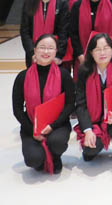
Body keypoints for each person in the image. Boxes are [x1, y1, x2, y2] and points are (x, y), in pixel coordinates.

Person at [12, 35, 74, 174]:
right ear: (34, 50)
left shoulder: (64, 75)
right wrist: (32, 131)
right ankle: (41, 156)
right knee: (34, 160)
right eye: (42, 47)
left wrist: (53, 126)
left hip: (57, 125)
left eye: (50, 48)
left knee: (57, 143)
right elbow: (17, 109)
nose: (46, 52)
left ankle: (55, 157)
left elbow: (70, 104)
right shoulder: (23, 76)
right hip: (31, 126)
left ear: (56, 51)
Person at [74, 33, 112, 167]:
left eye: (106, 48)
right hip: (93, 120)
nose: (102, 53)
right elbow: (80, 104)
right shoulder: (84, 71)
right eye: (97, 49)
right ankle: (93, 143)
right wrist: (88, 130)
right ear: (91, 53)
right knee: (90, 151)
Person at [20, 0, 70, 67]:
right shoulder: (29, 3)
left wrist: (58, 55)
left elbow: (64, 32)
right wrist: (32, 53)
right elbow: (25, 31)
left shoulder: (62, 3)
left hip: (55, 55)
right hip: (34, 55)